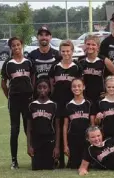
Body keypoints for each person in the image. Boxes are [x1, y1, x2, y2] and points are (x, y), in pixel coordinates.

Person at [48, 40, 82, 168]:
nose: (66, 53)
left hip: (72, 103)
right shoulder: (56, 66)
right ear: (60, 52)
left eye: (68, 51)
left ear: (72, 52)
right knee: (58, 130)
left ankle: (73, 160)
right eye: (63, 51)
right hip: (58, 102)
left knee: (71, 130)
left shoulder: (77, 66)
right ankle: (59, 160)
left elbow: (80, 84)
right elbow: (51, 82)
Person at [1, 37, 33, 169]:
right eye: (13, 46)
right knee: (15, 130)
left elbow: (34, 80)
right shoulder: (8, 63)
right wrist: (9, 96)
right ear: (11, 48)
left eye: (18, 45)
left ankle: (34, 157)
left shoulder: (28, 62)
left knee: (29, 129)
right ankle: (14, 160)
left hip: (28, 100)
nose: (16, 47)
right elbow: (3, 84)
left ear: (22, 45)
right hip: (14, 101)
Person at [27, 79, 59, 170]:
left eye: (45, 87)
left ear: (49, 89)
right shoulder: (32, 105)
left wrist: (56, 147)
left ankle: (55, 160)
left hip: (49, 140)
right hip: (36, 141)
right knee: (36, 168)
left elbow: (57, 128)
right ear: (36, 89)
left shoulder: (54, 105)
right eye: (39, 88)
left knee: (49, 167)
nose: (42, 90)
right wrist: (29, 146)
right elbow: (29, 128)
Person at [78, 35, 114, 104]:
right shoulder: (80, 61)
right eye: (88, 44)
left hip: (101, 97)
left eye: (93, 45)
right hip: (85, 96)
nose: (90, 47)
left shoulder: (104, 60)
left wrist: (110, 91)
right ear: (85, 45)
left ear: (98, 47)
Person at [63, 78, 95, 169]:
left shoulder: (89, 103)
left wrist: (92, 141)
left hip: (86, 140)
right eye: (74, 86)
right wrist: (65, 145)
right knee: (74, 166)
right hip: (73, 139)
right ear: (71, 88)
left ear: (84, 87)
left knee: (87, 165)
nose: (76, 88)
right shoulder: (68, 105)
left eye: (79, 86)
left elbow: (92, 124)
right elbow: (65, 126)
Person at [94, 76, 114, 141]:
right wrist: (97, 118)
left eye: (113, 87)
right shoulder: (100, 102)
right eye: (109, 87)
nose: (111, 89)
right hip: (106, 138)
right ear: (105, 87)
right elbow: (97, 123)